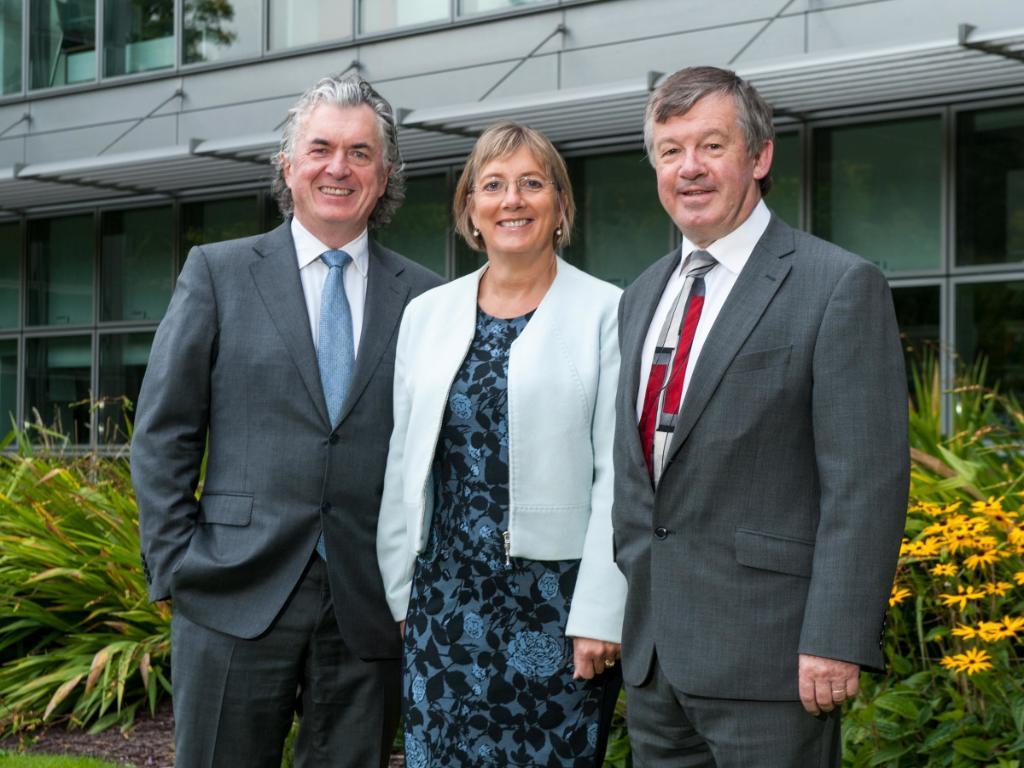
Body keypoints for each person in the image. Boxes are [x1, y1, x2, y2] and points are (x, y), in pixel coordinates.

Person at [131, 73, 442, 768]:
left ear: (385, 173)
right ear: (289, 164)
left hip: (366, 599)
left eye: (361, 153)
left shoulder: (425, 297)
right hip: (231, 591)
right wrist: (178, 567)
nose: (340, 167)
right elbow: (163, 433)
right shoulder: (216, 273)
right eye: (322, 148)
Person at [611, 66, 910, 767]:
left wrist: (836, 636)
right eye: (670, 149)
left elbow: (863, 483)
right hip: (656, 663)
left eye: (712, 146)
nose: (689, 168)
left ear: (760, 155)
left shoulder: (836, 285)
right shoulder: (642, 295)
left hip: (774, 662)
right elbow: (640, 475)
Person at [376, 121, 626, 767]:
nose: (512, 200)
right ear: (470, 212)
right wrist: (402, 591)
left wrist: (601, 609)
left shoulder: (608, 312)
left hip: (555, 604)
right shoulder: (426, 314)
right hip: (444, 601)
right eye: (492, 185)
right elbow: (405, 462)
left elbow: (618, 477)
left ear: (561, 207)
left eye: (531, 184)